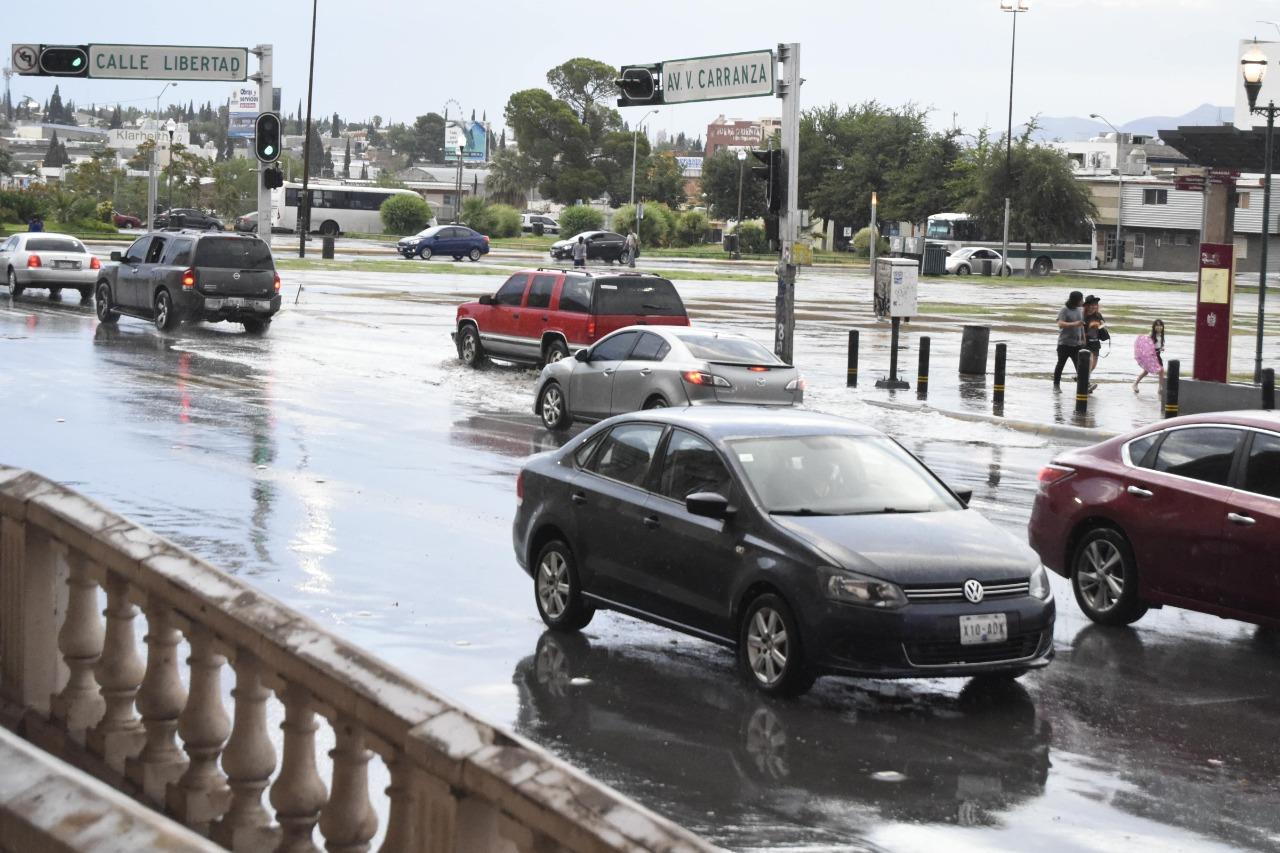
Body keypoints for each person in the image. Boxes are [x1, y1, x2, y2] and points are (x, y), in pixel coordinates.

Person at [1053, 290, 1087, 389]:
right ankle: (1056, 384)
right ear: (1076, 300)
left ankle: (1085, 385)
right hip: (1064, 343)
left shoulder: (1079, 310)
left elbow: (1081, 326)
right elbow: (1060, 324)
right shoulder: (1064, 310)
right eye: (1081, 299)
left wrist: (1083, 338)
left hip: (1077, 344)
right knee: (1060, 364)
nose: (1082, 301)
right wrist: (1074, 324)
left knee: (1079, 366)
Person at [1133, 319, 1165, 393]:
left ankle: (1160, 387)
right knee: (1147, 371)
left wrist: (1162, 348)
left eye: (1160, 325)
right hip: (1151, 356)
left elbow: (1160, 344)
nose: (1159, 327)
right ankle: (1135, 384)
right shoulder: (1151, 335)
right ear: (1154, 327)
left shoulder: (1161, 335)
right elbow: (1145, 344)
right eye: (1157, 325)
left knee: (1161, 371)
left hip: (1158, 355)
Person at [1083, 294, 1107, 391]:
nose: (1094, 306)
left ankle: (1081, 378)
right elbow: (1078, 330)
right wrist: (1090, 327)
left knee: (1093, 366)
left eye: (1096, 304)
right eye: (1092, 304)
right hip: (1085, 343)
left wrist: (1100, 326)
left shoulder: (1098, 315)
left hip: (1095, 343)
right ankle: (1086, 384)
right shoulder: (1082, 316)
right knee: (1090, 362)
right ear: (1086, 305)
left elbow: (1103, 326)